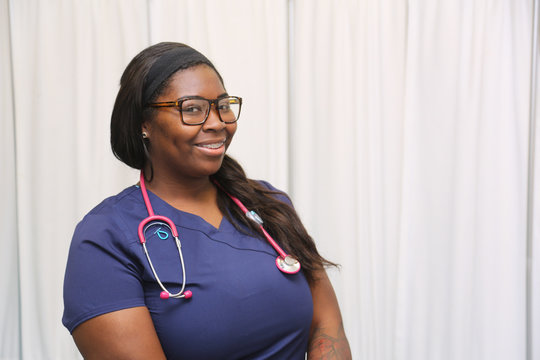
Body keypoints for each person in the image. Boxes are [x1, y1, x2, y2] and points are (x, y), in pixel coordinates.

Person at [62, 42, 351, 359]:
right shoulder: (105, 238)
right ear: (143, 124)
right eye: (193, 108)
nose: (217, 123)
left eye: (222, 105)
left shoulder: (269, 205)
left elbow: (327, 323)